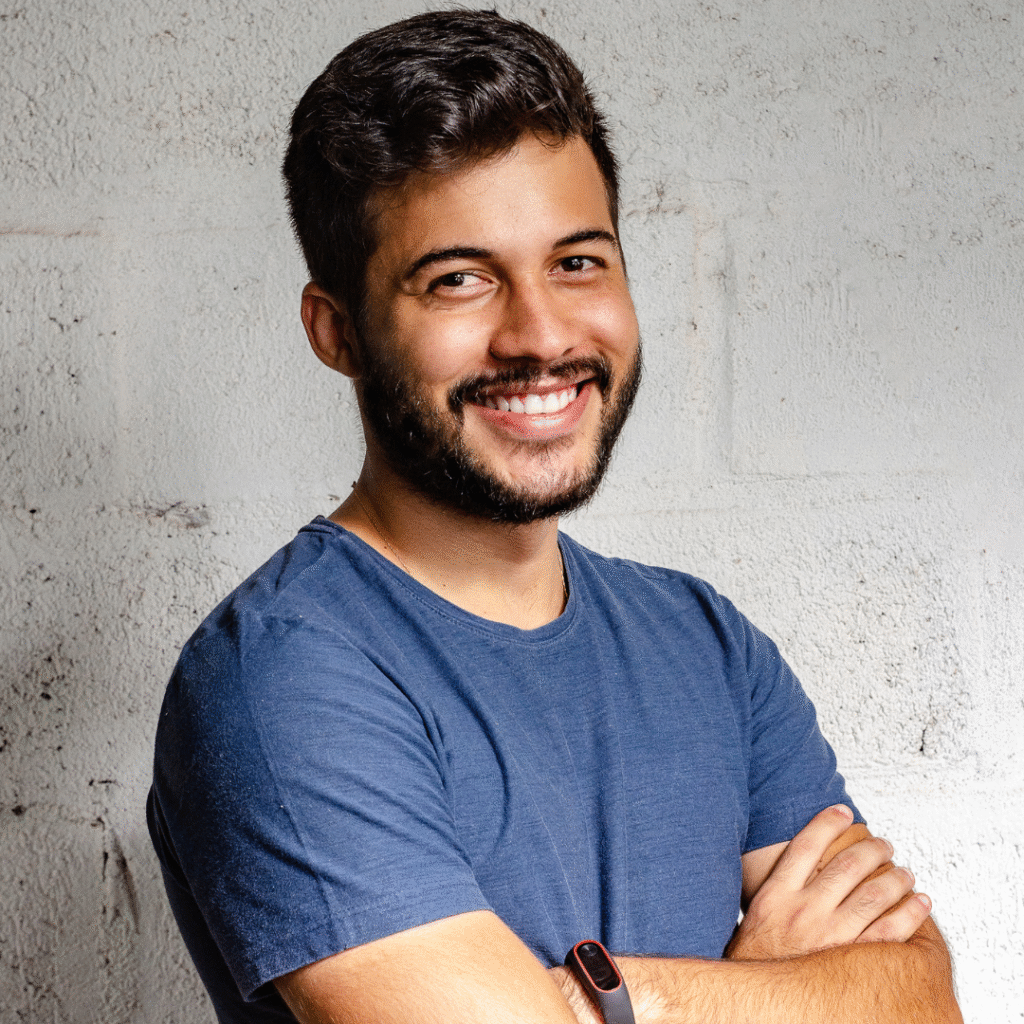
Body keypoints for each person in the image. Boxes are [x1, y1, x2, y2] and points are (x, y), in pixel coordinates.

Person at [147, 10, 962, 1024]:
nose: (538, 334)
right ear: (338, 332)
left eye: (577, 261)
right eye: (459, 279)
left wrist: (611, 1002)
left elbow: (921, 998)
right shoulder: (281, 673)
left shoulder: (707, 646)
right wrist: (774, 985)